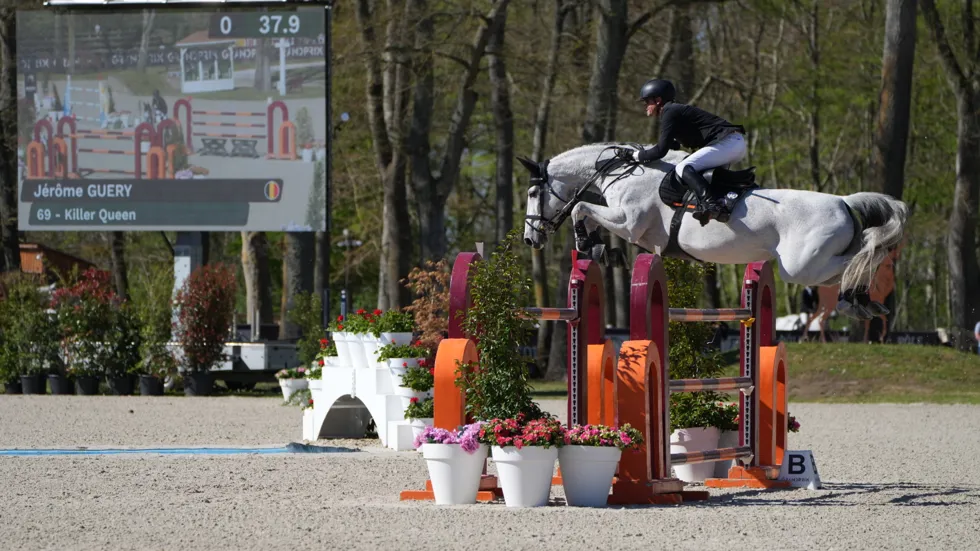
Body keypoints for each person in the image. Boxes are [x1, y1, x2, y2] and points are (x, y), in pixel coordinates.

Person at [628, 78, 748, 224]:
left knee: (683, 167)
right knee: (704, 177)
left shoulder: (669, 111)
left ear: (658, 100)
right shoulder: (673, 111)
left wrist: (636, 155)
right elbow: (674, 144)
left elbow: (660, 151)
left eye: (647, 101)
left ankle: (711, 205)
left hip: (727, 143)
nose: (645, 106)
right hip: (732, 143)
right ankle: (723, 203)